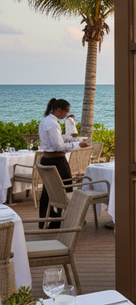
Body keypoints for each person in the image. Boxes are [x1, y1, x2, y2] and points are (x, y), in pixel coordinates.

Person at [38, 98, 91, 228]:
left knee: (48, 190)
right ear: (59, 110)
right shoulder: (53, 124)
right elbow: (58, 147)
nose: (67, 114)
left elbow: (55, 142)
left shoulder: (45, 121)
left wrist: (68, 138)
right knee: (66, 190)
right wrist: (78, 144)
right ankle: (66, 220)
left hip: (47, 159)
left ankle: (44, 221)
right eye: (66, 111)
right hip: (57, 161)